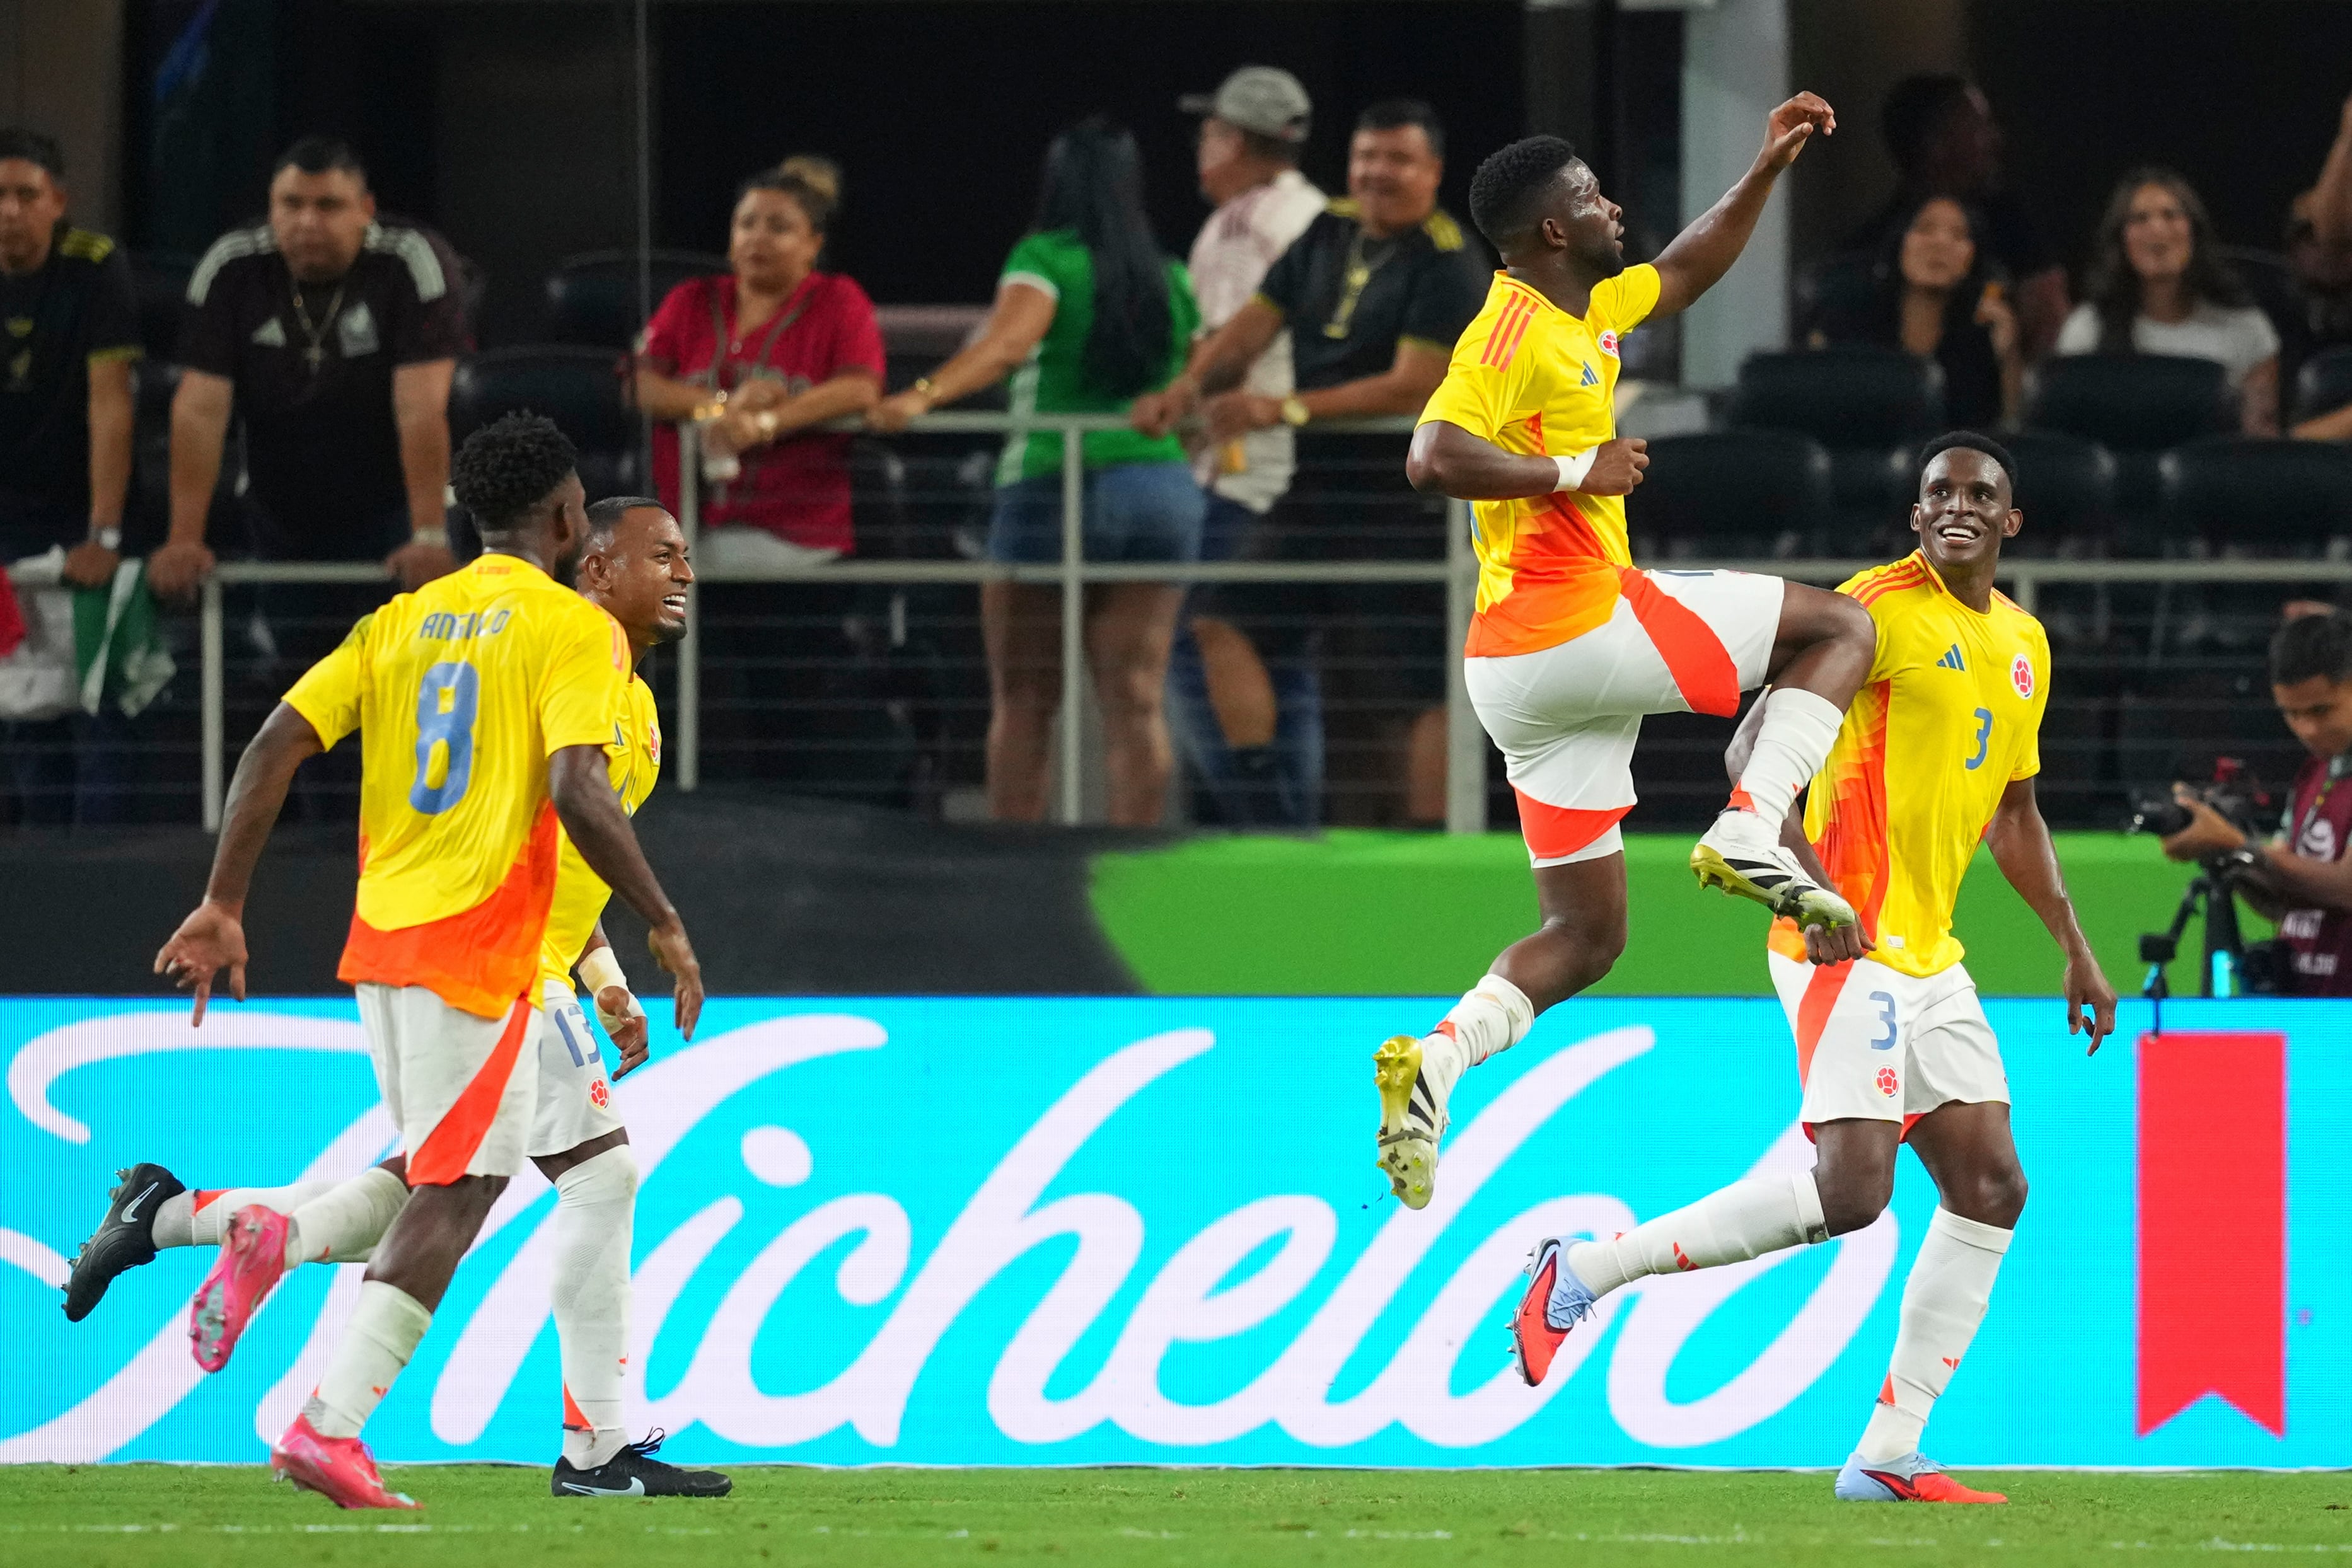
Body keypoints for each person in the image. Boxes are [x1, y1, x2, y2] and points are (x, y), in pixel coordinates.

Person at [63, 496, 726, 1499]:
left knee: (426, 1197)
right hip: (490, 969)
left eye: (688, 558)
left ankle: (173, 1215)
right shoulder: (563, 649)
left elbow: (561, 858)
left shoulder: (630, 700)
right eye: (662, 555)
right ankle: (593, 1448)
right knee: (589, 1176)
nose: (683, 573)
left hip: (512, 969)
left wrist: (604, 977)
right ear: (592, 565)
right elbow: (549, 815)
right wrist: (657, 933)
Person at [1507, 433, 2119, 1507]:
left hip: (1930, 953)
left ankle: (1889, 1450)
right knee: (1854, 1193)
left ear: (2011, 522)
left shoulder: (2024, 641)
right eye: (1938, 492)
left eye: (1981, 494)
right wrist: (1803, 887)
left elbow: (2014, 809)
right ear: (1915, 515)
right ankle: (1583, 1270)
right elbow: (1753, 756)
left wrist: (2072, 941)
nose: (1958, 506)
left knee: (1991, 1184)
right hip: (1841, 937)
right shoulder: (1871, 613)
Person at [1372, 110, 1881, 1212]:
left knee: (1588, 934)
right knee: (1845, 629)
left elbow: (1686, 267)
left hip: (1522, 676)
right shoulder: (1508, 335)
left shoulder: (1585, 303)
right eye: (1598, 197)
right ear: (1552, 228)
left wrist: (1761, 169)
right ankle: (1751, 820)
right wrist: (1573, 469)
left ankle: (1440, 1061)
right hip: (1572, 622)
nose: (1617, 209)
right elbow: (1429, 454)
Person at [1135, 99, 1486, 825]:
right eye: (1365, 157)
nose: (1376, 173)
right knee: (1220, 622)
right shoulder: (1325, 228)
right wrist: (1186, 389)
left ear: (1432, 172)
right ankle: (1270, 820)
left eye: (1396, 160)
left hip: (1408, 501)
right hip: (1316, 492)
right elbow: (1249, 328)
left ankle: (1433, 846)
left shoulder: (1448, 258)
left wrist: (1284, 408)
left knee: (1417, 690)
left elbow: (1414, 383)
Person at [870, 117, 1203, 826]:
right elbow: (1200, 373)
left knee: (1023, 698)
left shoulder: (1043, 257)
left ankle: (1015, 877)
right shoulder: (1169, 273)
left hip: (1057, 484)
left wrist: (918, 397)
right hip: (1161, 490)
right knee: (1136, 696)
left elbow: (1005, 346)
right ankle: (1133, 868)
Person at [150, 137, 466, 600]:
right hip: (278, 508)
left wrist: (428, 538)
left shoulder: (411, 263)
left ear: (366, 209)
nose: (308, 222)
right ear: (271, 208)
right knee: (291, 667)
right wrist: (183, 539)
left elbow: (421, 410)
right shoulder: (232, 267)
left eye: (329, 206)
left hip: (395, 510)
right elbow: (199, 411)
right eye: (291, 204)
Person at [1160, 67, 1327, 825]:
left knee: (1198, 648)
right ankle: (1296, 829)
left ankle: (1256, 824)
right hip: (1307, 469)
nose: (1200, 147)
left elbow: (1223, 345)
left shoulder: (1241, 222)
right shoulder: (1325, 216)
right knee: (1280, 658)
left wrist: (1175, 399)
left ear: (1234, 140)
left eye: (1208, 132)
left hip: (1241, 470)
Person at [632, 163, 884, 570]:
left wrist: (763, 424)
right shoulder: (691, 298)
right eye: (746, 224)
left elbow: (859, 389)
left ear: (813, 245)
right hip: (686, 525)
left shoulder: (839, 300)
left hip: (796, 532)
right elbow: (639, 385)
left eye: (778, 228)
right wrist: (722, 406)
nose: (758, 238)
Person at [0, 126, 142, 822]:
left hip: (83, 510)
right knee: (21, 702)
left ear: (58, 201)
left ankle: (104, 862)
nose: (9, 211)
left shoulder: (95, 265)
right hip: (8, 517)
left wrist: (104, 533)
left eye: (25, 194)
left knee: (99, 699)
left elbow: (110, 403)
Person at [2160, 609, 2352, 995]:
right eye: (2291, 714)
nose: (2306, 730)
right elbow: (2281, 902)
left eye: (2321, 710)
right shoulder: (2312, 775)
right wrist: (2226, 856)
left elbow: (2346, 889)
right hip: (2304, 1010)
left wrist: (2239, 844)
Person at [1846, 74, 2068, 359]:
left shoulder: (2012, 224)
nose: (1996, 139)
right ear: (1936, 145)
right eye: (1979, 128)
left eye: (1960, 234)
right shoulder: (1869, 248)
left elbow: (2048, 316)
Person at [2055, 168, 2280, 438]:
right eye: (2140, 219)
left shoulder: (2247, 329)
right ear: (2121, 238)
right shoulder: (2087, 328)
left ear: (2194, 230)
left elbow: (2259, 439)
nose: (2157, 229)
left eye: (2171, 215)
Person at [1812, 193, 2020, 430]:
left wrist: (2007, 354)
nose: (1940, 243)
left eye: (1958, 235)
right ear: (1900, 241)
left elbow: (2008, 428)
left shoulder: (1983, 327)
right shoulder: (1851, 315)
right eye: (1925, 229)